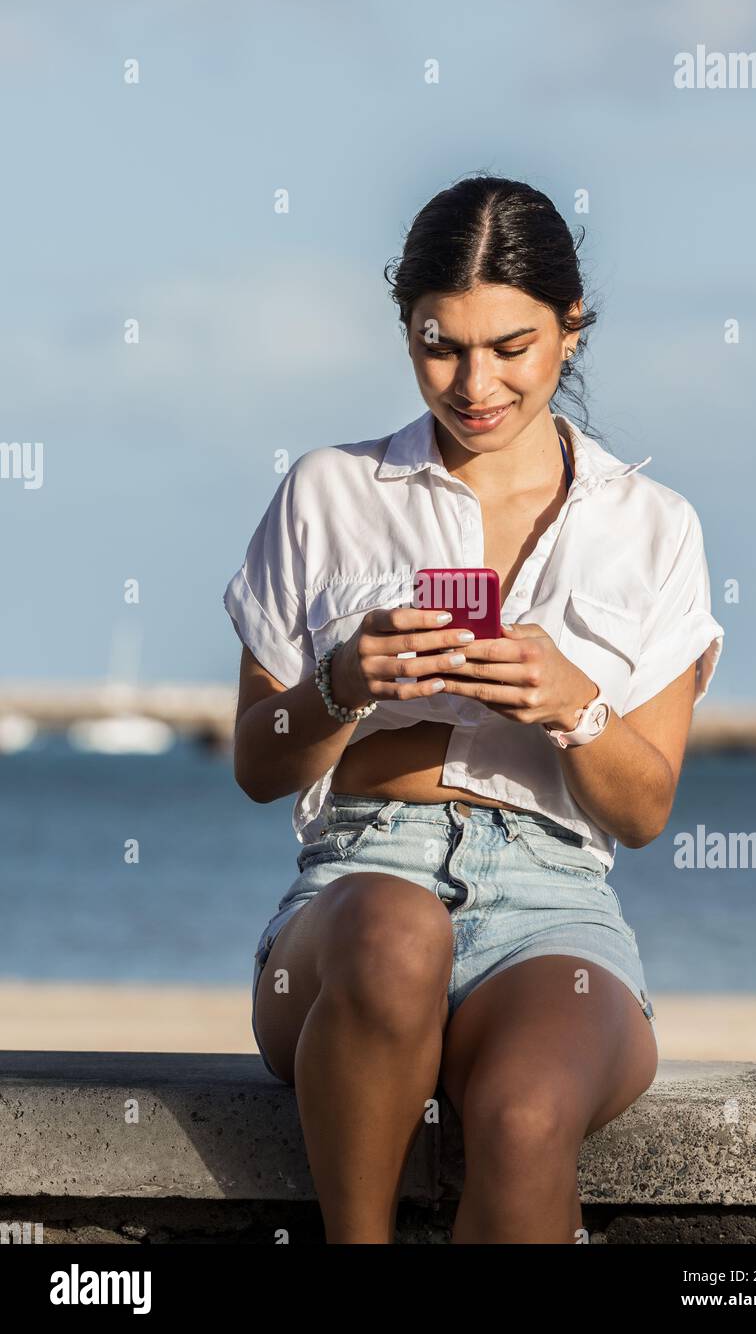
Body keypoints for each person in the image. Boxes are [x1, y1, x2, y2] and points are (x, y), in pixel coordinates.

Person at [223, 174, 725, 1244]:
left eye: (512, 345)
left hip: (553, 905)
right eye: (437, 344)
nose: (472, 382)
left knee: (523, 1114)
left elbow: (641, 811)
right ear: (405, 331)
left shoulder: (652, 528)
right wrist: (341, 682)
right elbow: (259, 765)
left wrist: (576, 706)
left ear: (571, 329)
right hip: (357, 887)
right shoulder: (330, 490)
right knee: (396, 931)